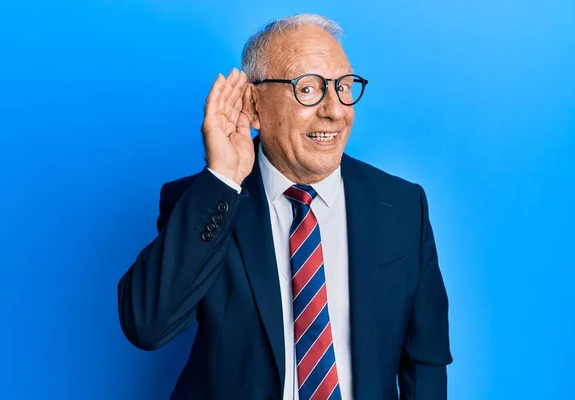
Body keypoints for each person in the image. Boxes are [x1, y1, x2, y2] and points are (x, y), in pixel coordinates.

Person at [117, 13, 452, 400]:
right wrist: (224, 178)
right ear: (255, 106)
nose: (335, 110)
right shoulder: (205, 200)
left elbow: (426, 358)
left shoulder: (402, 205)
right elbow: (146, 326)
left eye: (343, 87)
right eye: (308, 89)